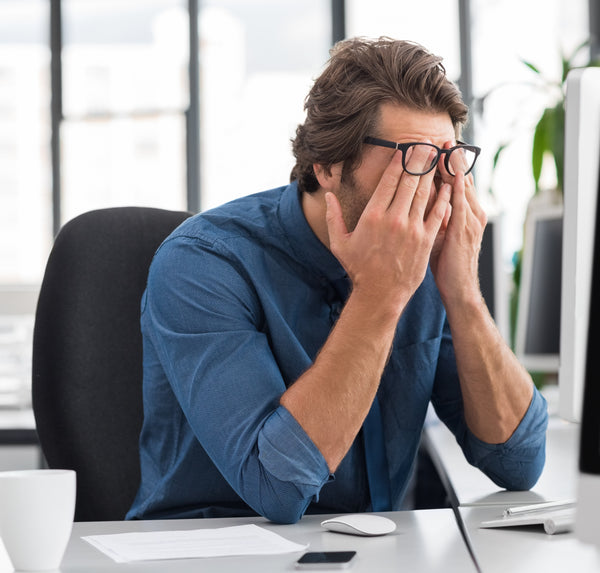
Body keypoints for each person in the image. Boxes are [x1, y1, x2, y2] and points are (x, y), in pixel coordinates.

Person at [127, 37, 548, 524]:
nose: (433, 189)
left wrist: (462, 293)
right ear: (327, 165)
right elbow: (277, 489)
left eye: (447, 162)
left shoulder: (429, 260)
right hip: (213, 550)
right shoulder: (203, 263)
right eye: (413, 159)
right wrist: (380, 294)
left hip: (374, 551)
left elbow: (518, 462)